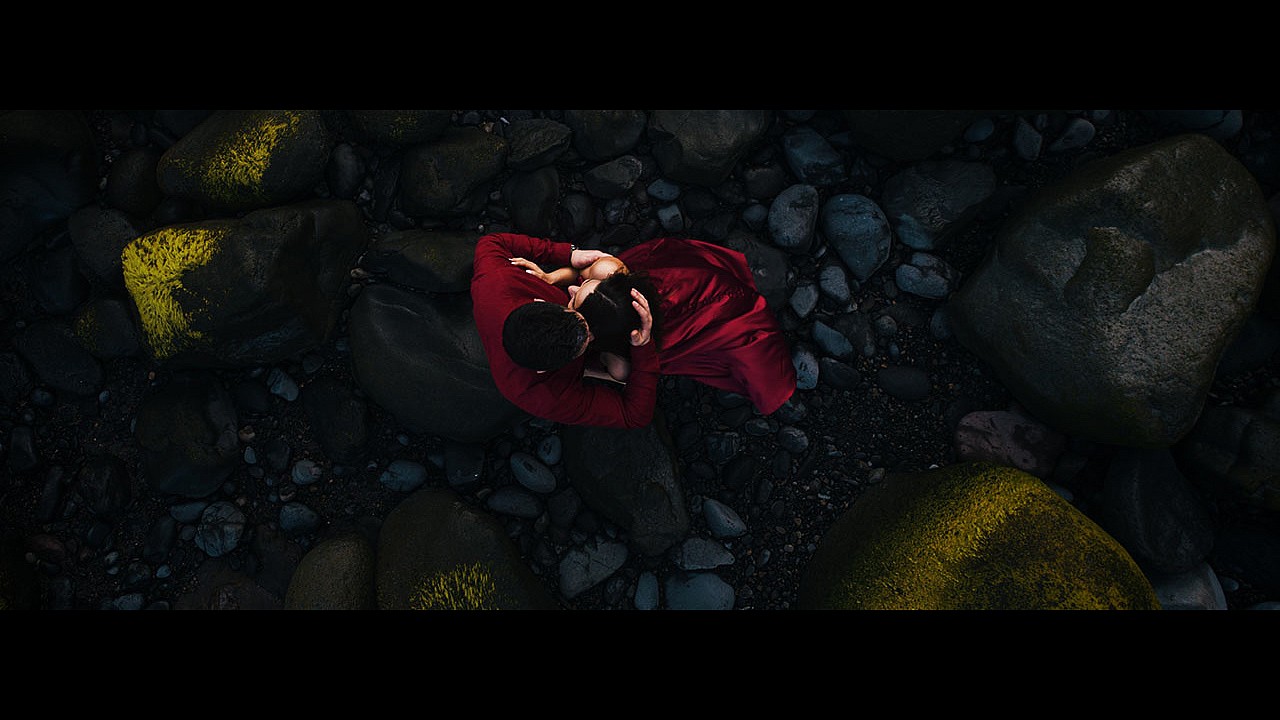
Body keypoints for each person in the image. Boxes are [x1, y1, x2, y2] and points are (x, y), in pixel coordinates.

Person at [512, 236, 797, 416]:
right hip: (657, 298)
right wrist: (551, 278)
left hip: (696, 305)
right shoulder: (605, 271)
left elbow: (622, 382)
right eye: (583, 288)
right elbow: (576, 271)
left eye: (575, 300)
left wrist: (578, 366)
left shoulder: (619, 363)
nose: (573, 288)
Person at [471, 231, 659, 429]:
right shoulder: (543, 395)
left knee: (607, 269)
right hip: (609, 357)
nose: (571, 289)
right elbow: (634, 416)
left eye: (571, 307)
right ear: (545, 370)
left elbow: (491, 241)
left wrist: (568, 254)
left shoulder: (495, 281)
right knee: (621, 370)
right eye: (587, 338)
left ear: (540, 302)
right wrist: (644, 347)